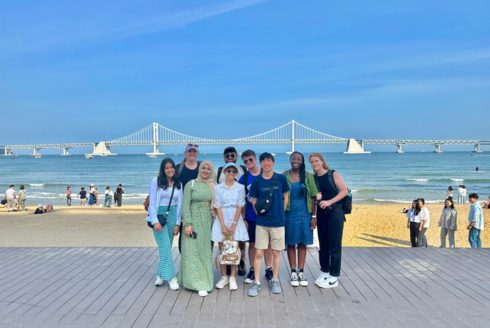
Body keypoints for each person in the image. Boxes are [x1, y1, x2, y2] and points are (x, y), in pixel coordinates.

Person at [248, 152, 289, 297]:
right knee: (259, 252)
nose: (266, 163)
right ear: (261, 163)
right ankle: (257, 282)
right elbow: (254, 199)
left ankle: (275, 279)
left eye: (269, 161)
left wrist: (281, 213)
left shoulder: (281, 179)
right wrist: (257, 212)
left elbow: (286, 197)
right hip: (262, 222)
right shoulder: (257, 181)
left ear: (273, 163)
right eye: (263, 161)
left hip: (278, 222)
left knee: (276, 251)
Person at [308, 153, 348, 289]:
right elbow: (314, 196)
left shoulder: (332, 174)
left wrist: (329, 201)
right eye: (312, 162)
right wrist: (316, 196)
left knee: (334, 245)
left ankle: (334, 276)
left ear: (322, 161)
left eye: (316, 161)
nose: (314, 164)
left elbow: (344, 191)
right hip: (322, 213)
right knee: (323, 245)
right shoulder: (314, 178)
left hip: (335, 212)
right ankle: (324, 271)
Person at [179, 160, 215, 297]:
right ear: (199, 169)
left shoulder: (213, 185)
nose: (205, 171)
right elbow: (185, 205)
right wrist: (187, 223)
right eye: (203, 168)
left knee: (205, 252)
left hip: (208, 222)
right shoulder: (191, 184)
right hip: (193, 222)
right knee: (191, 252)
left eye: (208, 169)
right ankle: (195, 283)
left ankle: (204, 281)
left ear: (211, 171)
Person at [282, 151, 319, 287]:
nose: (295, 161)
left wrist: (314, 216)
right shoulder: (284, 175)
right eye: (293, 159)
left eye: (298, 159)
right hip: (289, 213)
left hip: (306, 213)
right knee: (291, 243)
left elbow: (314, 196)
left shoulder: (308, 177)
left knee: (303, 243)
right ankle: (293, 272)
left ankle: (301, 271)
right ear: (290, 160)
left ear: (302, 162)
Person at [146, 158, 182, 290]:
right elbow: (152, 202)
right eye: (167, 168)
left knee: (166, 247)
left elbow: (180, 204)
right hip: (159, 214)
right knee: (165, 247)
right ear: (163, 170)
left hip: (172, 215)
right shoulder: (156, 182)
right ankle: (172, 278)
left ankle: (160, 275)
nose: (170, 170)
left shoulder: (178, 183)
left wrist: (178, 223)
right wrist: (154, 221)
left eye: (171, 167)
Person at [211, 163, 249, 291]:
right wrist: (222, 224)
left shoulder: (240, 187)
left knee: (234, 249)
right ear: (224, 172)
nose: (231, 173)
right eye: (229, 171)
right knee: (222, 248)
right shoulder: (218, 188)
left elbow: (240, 205)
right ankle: (223, 276)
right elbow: (217, 206)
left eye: (234, 171)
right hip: (222, 218)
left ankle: (232, 276)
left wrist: (233, 224)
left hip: (235, 218)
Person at [238, 149, 273, 284]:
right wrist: (243, 217)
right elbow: (242, 200)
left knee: (268, 244)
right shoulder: (244, 178)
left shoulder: (266, 174)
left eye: (250, 159)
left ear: (255, 159)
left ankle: (268, 269)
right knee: (252, 244)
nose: (248, 162)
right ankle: (252, 269)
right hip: (251, 216)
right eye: (245, 161)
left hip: (267, 215)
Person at [175, 144, 201, 253]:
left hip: (199, 207)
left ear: (197, 154)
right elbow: (168, 183)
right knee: (184, 235)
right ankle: (185, 263)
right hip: (183, 206)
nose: (192, 153)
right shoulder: (178, 168)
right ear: (185, 153)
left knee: (199, 235)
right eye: (189, 151)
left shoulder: (202, 167)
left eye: (194, 151)